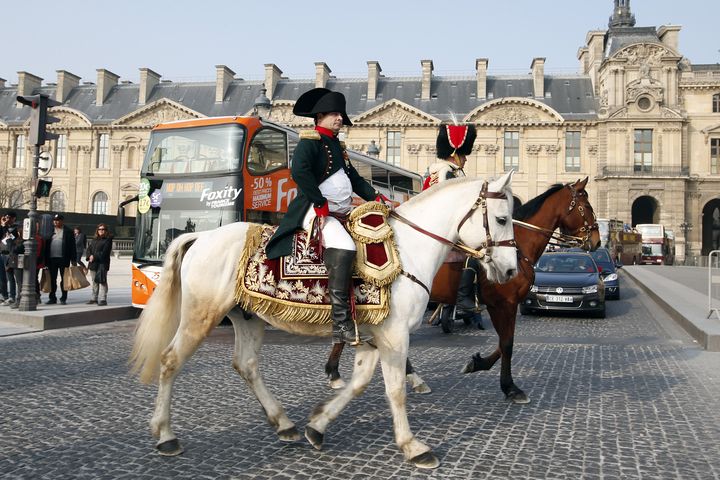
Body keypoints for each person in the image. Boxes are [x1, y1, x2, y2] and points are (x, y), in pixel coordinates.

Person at [265, 88, 384, 345]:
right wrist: (319, 203)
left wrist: (377, 198)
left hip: (341, 211)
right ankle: (341, 324)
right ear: (320, 116)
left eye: (340, 113)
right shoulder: (310, 141)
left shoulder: (337, 147)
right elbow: (300, 172)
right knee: (345, 245)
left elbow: (354, 179)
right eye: (334, 114)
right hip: (315, 210)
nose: (340, 118)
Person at [425, 123, 483, 325]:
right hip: (440, 228)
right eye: (464, 154)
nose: (466, 159)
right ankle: (463, 297)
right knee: (475, 255)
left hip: (439, 225)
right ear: (455, 153)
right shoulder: (446, 173)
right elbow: (448, 205)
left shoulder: (446, 172)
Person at [44, 213, 77, 305]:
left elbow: (72, 246)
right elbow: (46, 246)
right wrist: (44, 260)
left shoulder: (68, 231)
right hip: (51, 259)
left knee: (64, 279)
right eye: (54, 220)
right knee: (52, 279)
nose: (56, 222)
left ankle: (63, 297)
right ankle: (52, 297)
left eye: (58, 220)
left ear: (62, 221)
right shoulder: (49, 231)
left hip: (64, 259)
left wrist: (73, 260)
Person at [85, 223, 113, 306]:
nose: (101, 231)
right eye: (99, 229)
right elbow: (88, 249)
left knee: (102, 281)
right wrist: (89, 256)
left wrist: (94, 256)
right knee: (94, 281)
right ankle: (94, 298)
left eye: (103, 229)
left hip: (102, 263)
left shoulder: (108, 240)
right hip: (93, 263)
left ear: (106, 231)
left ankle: (103, 299)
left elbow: (105, 253)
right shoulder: (94, 239)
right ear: (97, 230)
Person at [1, 212, 19, 305]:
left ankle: (12, 296)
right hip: (2, 254)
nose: (6, 219)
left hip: (10, 254)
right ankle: (4, 295)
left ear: (13, 218)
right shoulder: (3, 227)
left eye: (8, 217)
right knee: (2, 277)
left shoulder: (16, 228)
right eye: (5, 217)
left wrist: (5, 227)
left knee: (11, 276)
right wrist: (2, 226)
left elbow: (10, 238)